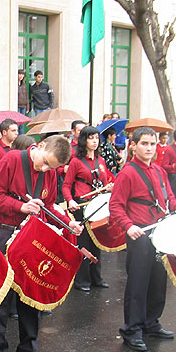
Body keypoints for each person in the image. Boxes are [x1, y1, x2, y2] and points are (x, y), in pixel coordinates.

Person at [0, 135, 81, 352]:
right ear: (39, 147)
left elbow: (49, 206)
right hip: (7, 234)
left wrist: (69, 224)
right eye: (45, 163)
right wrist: (20, 207)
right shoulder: (12, 159)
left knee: (31, 295)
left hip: (32, 237)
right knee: (2, 301)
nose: (45, 169)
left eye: (52, 167)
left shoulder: (49, 173)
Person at [109, 127, 176, 352]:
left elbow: (169, 200)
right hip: (141, 234)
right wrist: (129, 226)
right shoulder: (127, 173)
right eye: (144, 143)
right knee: (138, 284)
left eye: (152, 144)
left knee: (158, 281)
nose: (149, 148)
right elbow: (115, 206)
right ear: (133, 145)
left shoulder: (159, 171)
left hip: (161, 232)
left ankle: (151, 322)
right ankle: (132, 329)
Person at [63, 125, 111, 292]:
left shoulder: (101, 161)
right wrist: (70, 201)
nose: (94, 141)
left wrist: (107, 188)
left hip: (98, 207)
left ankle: (96, 277)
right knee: (83, 243)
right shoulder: (76, 161)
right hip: (82, 206)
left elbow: (104, 183)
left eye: (97, 138)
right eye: (91, 138)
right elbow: (66, 185)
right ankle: (82, 280)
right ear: (84, 140)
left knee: (97, 242)